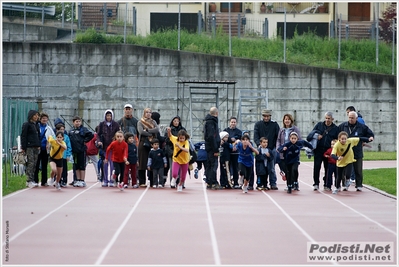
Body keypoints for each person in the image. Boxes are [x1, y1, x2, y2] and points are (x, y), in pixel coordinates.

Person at [338, 111, 374, 191]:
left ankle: (359, 185)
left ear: (356, 118)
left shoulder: (362, 127)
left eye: (352, 118)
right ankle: (344, 185)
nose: (350, 119)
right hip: (346, 152)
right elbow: (337, 135)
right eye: (349, 117)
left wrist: (370, 138)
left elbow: (370, 134)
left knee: (358, 169)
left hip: (357, 151)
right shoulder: (343, 126)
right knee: (344, 169)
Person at [310, 111, 339, 191]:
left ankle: (326, 183)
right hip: (318, 149)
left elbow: (337, 140)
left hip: (328, 150)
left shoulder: (335, 129)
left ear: (332, 119)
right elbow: (312, 134)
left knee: (328, 168)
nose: (327, 120)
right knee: (317, 167)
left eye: (329, 118)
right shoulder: (319, 125)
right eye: (326, 118)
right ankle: (316, 183)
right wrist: (317, 136)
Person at [253, 109, 280, 190]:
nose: (266, 117)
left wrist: (275, 147)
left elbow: (278, 136)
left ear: (270, 116)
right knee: (260, 167)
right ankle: (260, 183)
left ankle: (273, 183)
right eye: (264, 116)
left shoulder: (275, 124)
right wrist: (259, 145)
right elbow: (256, 136)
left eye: (267, 116)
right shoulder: (258, 124)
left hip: (271, 148)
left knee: (271, 167)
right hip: (261, 149)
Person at [276, 113, 302, 186]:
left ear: (291, 120)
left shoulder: (295, 129)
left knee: (294, 169)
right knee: (286, 170)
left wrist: (295, 147)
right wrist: (279, 148)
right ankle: (289, 183)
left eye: (288, 119)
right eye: (285, 119)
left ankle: (295, 182)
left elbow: (299, 140)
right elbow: (278, 140)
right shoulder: (281, 130)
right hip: (283, 153)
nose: (287, 121)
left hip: (293, 153)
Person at [69, 116, 94, 187]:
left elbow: (91, 135)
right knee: (76, 166)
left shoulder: (83, 129)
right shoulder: (71, 130)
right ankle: (78, 180)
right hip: (74, 151)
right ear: (73, 122)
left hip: (81, 150)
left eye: (79, 121)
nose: (78, 123)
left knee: (82, 166)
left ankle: (82, 180)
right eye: (76, 121)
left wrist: (85, 141)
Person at [97, 109, 120, 187]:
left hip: (113, 147)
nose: (109, 117)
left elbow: (118, 134)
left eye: (110, 115)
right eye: (107, 115)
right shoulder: (101, 124)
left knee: (112, 164)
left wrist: (116, 141)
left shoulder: (116, 124)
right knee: (105, 164)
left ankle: (111, 180)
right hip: (105, 147)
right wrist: (99, 141)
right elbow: (98, 135)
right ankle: (105, 180)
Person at [137, 108, 160, 187]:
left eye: (150, 112)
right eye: (147, 112)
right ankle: (142, 181)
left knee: (152, 163)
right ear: (144, 113)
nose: (148, 114)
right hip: (143, 143)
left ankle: (152, 181)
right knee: (142, 163)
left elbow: (156, 130)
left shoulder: (154, 122)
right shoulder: (140, 122)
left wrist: (147, 130)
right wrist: (150, 132)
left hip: (153, 144)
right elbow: (141, 132)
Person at [164, 115, 187, 187]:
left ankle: (181, 183)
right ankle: (173, 183)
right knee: (173, 168)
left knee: (182, 170)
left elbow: (186, 141)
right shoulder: (170, 130)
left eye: (177, 121)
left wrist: (180, 146)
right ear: (172, 122)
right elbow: (167, 139)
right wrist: (170, 151)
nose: (176, 122)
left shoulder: (183, 129)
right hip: (172, 151)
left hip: (182, 153)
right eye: (175, 121)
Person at [20, 110, 41, 188]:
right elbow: (23, 136)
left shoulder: (36, 125)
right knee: (30, 163)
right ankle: (28, 180)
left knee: (35, 164)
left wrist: (39, 144)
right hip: (29, 147)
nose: (36, 117)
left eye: (37, 115)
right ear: (31, 116)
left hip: (36, 146)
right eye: (35, 115)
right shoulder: (27, 124)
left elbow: (38, 135)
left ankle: (32, 180)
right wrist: (23, 147)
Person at [204, 107, 223, 190]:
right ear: (216, 113)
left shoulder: (208, 122)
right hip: (212, 148)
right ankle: (212, 182)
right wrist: (216, 149)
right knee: (213, 165)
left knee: (209, 165)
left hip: (209, 147)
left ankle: (209, 182)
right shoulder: (211, 122)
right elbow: (212, 136)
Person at [34, 112, 55, 186]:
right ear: (40, 119)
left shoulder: (49, 128)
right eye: (43, 118)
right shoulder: (36, 126)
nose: (44, 120)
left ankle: (44, 181)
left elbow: (53, 137)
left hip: (45, 149)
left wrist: (49, 143)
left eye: (46, 118)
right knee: (36, 165)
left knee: (44, 166)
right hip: (37, 148)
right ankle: (35, 181)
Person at [223, 116, 242, 189]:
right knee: (227, 168)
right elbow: (224, 140)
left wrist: (235, 146)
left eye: (234, 122)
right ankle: (227, 183)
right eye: (232, 122)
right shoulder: (225, 131)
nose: (233, 123)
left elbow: (240, 140)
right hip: (227, 152)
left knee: (235, 168)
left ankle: (236, 182)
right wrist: (230, 144)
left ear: (236, 123)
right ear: (229, 122)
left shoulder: (239, 132)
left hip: (236, 152)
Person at [54, 122, 72, 187]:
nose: (62, 131)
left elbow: (69, 147)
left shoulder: (66, 137)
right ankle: (57, 180)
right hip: (56, 156)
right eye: (60, 129)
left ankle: (64, 181)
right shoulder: (54, 137)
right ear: (57, 130)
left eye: (63, 129)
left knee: (64, 169)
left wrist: (68, 155)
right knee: (56, 169)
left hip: (63, 156)